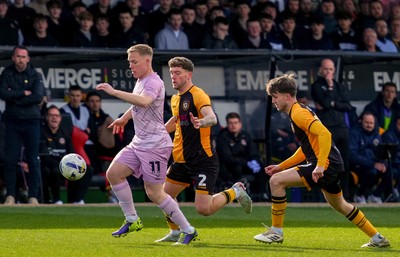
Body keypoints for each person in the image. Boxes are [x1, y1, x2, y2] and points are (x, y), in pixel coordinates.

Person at [253, 73, 390, 248]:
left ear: (287, 96)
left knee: (276, 182)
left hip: (325, 164)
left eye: (275, 96)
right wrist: (281, 166)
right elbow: (307, 148)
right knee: (340, 205)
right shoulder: (298, 112)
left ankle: (276, 232)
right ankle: (377, 238)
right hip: (331, 164)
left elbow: (325, 134)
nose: (273, 101)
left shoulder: (298, 113)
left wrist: (319, 165)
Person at [95, 44, 197, 245]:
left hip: (155, 145)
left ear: (147, 61)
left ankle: (188, 230)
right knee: (113, 174)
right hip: (139, 142)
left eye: (134, 62)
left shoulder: (153, 82)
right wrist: (125, 118)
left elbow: (144, 101)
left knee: (155, 193)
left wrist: (114, 92)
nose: (131, 66)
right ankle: (132, 219)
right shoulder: (141, 80)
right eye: (129, 62)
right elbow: (138, 105)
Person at [156, 56, 252, 243]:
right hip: (181, 160)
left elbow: (212, 117)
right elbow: (176, 121)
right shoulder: (175, 98)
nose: (173, 77)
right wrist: (156, 132)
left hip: (202, 161)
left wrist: (201, 122)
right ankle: (175, 232)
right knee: (163, 196)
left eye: (178, 73)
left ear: (189, 74)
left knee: (204, 209)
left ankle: (235, 191)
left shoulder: (198, 95)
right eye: (171, 73)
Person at [0, 45, 45, 205]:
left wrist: (15, 98)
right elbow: (3, 93)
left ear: (28, 58)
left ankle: (33, 196)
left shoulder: (35, 74)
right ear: (13, 58)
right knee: (10, 160)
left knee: (33, 160)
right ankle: (11, 195)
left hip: (32, 121)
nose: (21, 59)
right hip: (12, 122)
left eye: (23, 56)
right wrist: (23, 93)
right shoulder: (6, 73)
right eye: (18, 56)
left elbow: (38, 96)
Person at [311, 58, 353, 201]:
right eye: (326, 69)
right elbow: (325, 103)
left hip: (342, 128)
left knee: (344, 163)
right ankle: (324, 197)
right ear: (321, 70)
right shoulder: (317, 86)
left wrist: (332, 102)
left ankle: (346, 196)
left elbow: (347, 106)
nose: (328, 72)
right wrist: (329, 88)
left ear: (334, 70)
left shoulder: (339, 86)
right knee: (326, 163)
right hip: (326, 129)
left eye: (331, 69)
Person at [216, 112, 268, 201]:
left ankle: (262, 195)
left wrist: (255, 162)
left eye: (235, 123)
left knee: (261, 168)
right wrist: (246, 162)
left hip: (246, 165)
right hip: (231, 167)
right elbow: (227, 158)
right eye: (231, 123)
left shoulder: (245, 136)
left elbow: (253, 152)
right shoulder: (223, 137)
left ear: (240, 124)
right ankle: (237, 193)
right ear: (227, 124)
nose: (233, 125)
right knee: (236, 167)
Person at [349, 111, 392, 204]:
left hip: (374, 164)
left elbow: (381, 153)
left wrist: (383, 164)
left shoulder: (377, 135)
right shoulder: (354, 133)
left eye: (371, 123)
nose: (369, 125)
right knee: (371, 172)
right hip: (358, 165)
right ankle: (360, 195)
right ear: (361, 122)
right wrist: (372, 164)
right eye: (367, 123)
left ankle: (375, 195)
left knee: (391, 171)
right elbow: (352, 156)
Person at [61, 85, 93, 204]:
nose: (75, 98)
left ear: (81, 97)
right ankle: (75, 200)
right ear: (69, 96)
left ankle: (78, 199)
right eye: (73, 96)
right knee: (76, 172)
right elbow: (66, 131)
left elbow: (92, 130)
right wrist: (83, 132)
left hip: (86, 147)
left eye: (78, 96)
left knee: (87, 171)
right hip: (71, 148)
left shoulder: (86, 110)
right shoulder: (63, 110)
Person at [40, 105, 74, 204]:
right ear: (46, 117)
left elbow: (72, 153)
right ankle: (55, 199)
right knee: (51, 170)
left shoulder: (65, 133)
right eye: (51, 115)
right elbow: (44, 155)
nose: (54, 117)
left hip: (64, 165)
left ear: (60, 118)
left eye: (56, 115)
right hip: (48, 165)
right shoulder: (41, 132)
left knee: (87, 170)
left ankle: (76, 200)